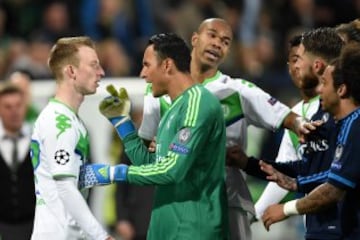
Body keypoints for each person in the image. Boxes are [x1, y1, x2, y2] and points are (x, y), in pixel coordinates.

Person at [138, 18, 317, 240]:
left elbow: (289, 118)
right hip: (176, 202)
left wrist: (306, 129)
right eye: (211, 35)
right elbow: (145, 148)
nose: (217, 44)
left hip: (227, 200)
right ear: (194, 39)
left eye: (225, 41)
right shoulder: (158, 91)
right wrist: (156, 147)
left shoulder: (237, 91)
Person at [80, 33, 229, 239]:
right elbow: (151, 166)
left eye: (147, 65)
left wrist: (115, 173)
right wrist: (124, 125)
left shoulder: (198, 104)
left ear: (167, 65)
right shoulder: (172, 109)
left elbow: (173, 170)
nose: (142, 74)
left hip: (194, 228)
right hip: (167, 227)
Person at [229, 27, 345, 240]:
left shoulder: (345, 114)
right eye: (292, 60)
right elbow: (293, 170)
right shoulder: (295, 116)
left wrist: (288, 207)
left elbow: (338, 177)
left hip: (345, 223)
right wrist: (247, 164)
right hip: (317, 223)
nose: (296, 66)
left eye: (301, 58)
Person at [261, 42, 360, 239]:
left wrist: (286, 209)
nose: (320, 89)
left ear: (341, 90)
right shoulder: (346, 124)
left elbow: (333, 190)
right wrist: (297, 183)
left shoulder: (354, 125)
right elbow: (335, 176)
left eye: (325, 83)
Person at [30, 36, 114, 240]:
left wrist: (118, 173)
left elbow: (68, 176)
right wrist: (102, 237)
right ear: (71, 71)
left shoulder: (70, 120)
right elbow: (66, 188)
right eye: (94, 65)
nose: (101, 72)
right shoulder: (60, 123)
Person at [0, 83, 35, 240]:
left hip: (34, 225)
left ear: (25, 107)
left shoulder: (37, 140)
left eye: (18, 105)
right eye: (8, 107)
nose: (14, 111)